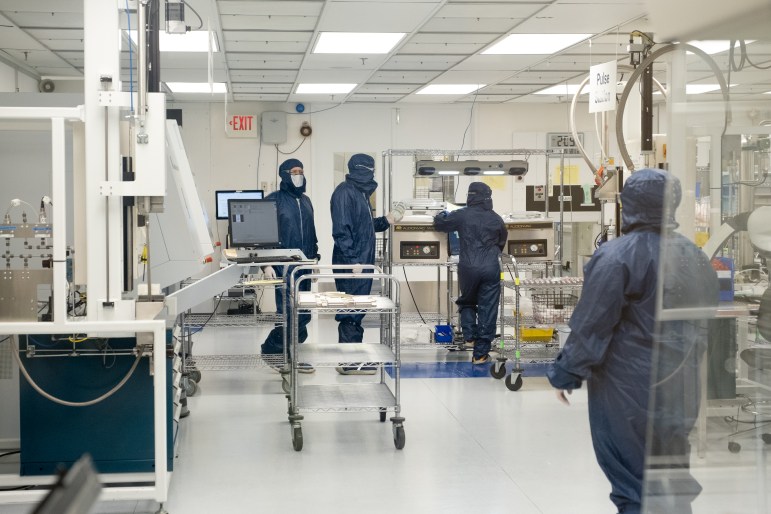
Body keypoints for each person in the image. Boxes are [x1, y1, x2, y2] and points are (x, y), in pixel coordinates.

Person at [547, 168, 718, 514]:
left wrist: (567, 373)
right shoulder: (696, 257)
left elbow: (592, 324)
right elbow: (705, 321)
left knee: (633, 480)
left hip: (628, 387)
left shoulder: (617, 257)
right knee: (670, 476)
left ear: (629, 204)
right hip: (681, 384)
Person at [330, 153, 393, 375]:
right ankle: (349, 362)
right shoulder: (344, 193)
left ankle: (353, 357)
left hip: (361, 261)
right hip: (352, 263)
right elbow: (341, 231)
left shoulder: (360, 194)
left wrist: (387, 221)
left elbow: (365, 227)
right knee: (350, 310)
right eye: (369, 169)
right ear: (359, 169)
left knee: (357, 309)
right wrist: (353, 261)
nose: (372, 173)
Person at [433, 182, 507, 364]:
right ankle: (480, 354)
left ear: (470, 196)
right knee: (488, 308)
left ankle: (469, 335)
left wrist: (441, 214)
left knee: (467, 301)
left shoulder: (462, 215)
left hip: (468, 267)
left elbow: (440, 224)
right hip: (490, 267)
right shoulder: (496, 218)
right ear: (488, 197)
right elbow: (501, 241)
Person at [260, 158, 319, 373]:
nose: (298, 175)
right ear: (284, 174)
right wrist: (266, 265)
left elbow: (311, 233)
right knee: (287, 313)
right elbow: (263, 235)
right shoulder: (273, 200)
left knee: (303, 314)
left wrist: (314, 260)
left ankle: (293, 355)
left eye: (301, 171)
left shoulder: (306, 201)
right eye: (294, 171)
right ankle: (274, 352)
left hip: (304, 266)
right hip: (282, 267)